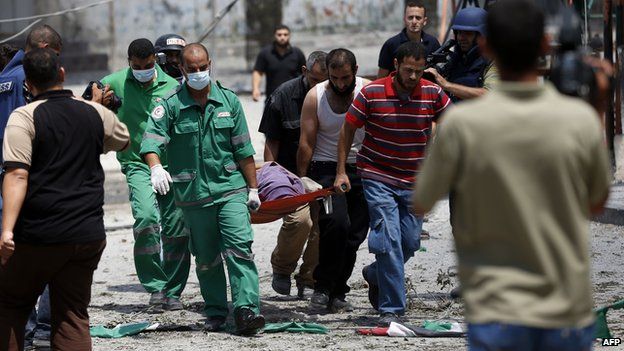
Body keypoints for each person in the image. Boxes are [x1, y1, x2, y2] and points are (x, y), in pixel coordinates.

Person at [412, 1, 611, 349]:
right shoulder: (577, 120)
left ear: (487, 45)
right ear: (545, 48)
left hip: (496, 312)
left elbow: (422, 200)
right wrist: (597, 107)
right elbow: (596, 203)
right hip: (565, 312)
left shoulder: (461, 124)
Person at [0, 47, 129, 351]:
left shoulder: (24, 117)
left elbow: (17, 175)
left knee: (10, 304)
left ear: (27, 84)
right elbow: (122, 140)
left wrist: (6, 230)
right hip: (86, 235)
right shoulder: (94, 113)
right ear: (62, 74)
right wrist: (94, 107)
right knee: (72, 315)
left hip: (39, 235)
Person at [140, 43, 265, 335]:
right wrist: (156, 167)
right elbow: (150, 142)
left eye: (202, 68)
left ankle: (247, 310)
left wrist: (253, 189)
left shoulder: (229, 101)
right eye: (191, 69)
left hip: (230, 189)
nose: (198, 74)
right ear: (181, 69)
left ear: (210, 63)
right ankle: (217, 312)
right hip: (193, 197)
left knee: (240, 250)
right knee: (207, 260)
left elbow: (243, 149)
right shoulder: (169, 103)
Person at [335, 41, 450, 326]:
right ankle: (392, 309)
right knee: (388, 241)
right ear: (396, 66)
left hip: (415, 179)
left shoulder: (432, 92)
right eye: (409, 71)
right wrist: (341, 171)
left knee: (409, 242)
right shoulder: (371, 93)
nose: (414, 77)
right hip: (377, 175)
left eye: (419, 72)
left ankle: (375, 274)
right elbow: (348, 128)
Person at [100, 38, 190, 310]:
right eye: (138, 66)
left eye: (149, 65)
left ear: (156, 61)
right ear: (129, 63)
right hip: (137, 163)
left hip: (171, 164)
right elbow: (91, 106)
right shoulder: (114, 83)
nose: (143, 70)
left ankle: (173, 290)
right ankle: (155, 286)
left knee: (176, 228)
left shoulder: (173, 87)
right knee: (147, 220)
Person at [297, 48, 370, 312]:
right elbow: (306, 142)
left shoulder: (368, 91)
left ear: (356, 71)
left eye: (346, 78)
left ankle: (339, 289)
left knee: (355, 234)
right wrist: (303, 178)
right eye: (335, 78)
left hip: (361, 167)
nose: (340, 84)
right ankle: (322, 287)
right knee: (335, 225)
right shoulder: (315, 97)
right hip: (326, 168)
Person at [259, 50, 328, 298]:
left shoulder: (337, 94)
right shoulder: (283, 96)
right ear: (304, 72)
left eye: (325, 82)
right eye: (315, 81)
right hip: (290, 177)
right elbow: (272, 141)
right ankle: (282, 267)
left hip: (323, 174)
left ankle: (309, 278)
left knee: (323, 227)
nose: (321, 88)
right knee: (301, 222)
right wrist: (270, 177)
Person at [424, 7, 490, 101]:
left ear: (481, 35)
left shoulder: (491, 62)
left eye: (467, 33)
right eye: (458, 33)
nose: (461, 38)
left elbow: (489, 95)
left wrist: (446, 84)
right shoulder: (454, 59)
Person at [377, 1, 441, 78]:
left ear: (424, 21)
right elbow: (381, 78)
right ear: (404, 19)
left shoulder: (433, 43)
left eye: (418, 18)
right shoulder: (391, 44)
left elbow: (439, 74)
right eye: (410, 17)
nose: (414, 21)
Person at [252, 25, 306, 102]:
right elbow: (258, 71)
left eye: (285, 34)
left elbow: (305, 73)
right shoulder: (265, 53)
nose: (282, 37)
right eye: (279, 35)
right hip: (272, 98)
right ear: (274, 36)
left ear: (289, 36)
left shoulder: (297, 53)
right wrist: (255, 89)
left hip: (294, 98)